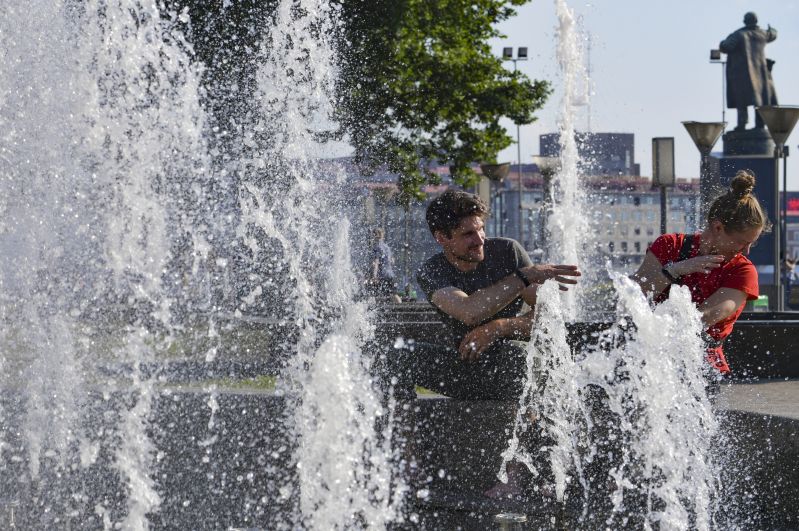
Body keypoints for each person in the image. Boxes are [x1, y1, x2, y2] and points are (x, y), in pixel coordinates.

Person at [406, 189, 581, 401]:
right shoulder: (432, 271)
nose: (480, 240)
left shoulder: (507, 252)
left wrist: (499, 327)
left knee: (516, 357)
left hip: (516, 365)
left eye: (481, 230)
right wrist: (524, 276)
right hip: (468, 369)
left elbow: (547, 320)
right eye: (468, 234)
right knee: (396, 356)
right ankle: (405, 426)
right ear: (442, 238)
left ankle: (525, 427)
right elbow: (469, 312)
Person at [632, 170, 770, 377]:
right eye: (742, 242)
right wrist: (675, 270)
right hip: (646, 360)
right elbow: (634, 297)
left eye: (752, 243)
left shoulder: (742, 270)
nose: (746, 251)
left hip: (700, 366)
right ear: (718, 227)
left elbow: (705, 317)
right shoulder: (670, 245)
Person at [719, 12, 778, 130]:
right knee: (760, 101)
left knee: (741, 100)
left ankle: (742, 124)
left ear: (745, 21)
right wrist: (771, 29)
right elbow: (773, 34)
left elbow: (726, 47)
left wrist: (722, 43)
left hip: (743, 74)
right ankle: (760, 125)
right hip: (761, 75)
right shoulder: (762, 34)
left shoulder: (738, 35)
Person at [365, 228, 398, 299]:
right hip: (391, 275)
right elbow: (392, 261)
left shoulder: (376, 247)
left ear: (375, 235)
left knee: (373, 296)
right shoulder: (387, 247)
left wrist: (374, 276)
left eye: (373, 235)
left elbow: (376, 263)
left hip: (382, 276)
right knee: (394, 295)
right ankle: (402, 308)